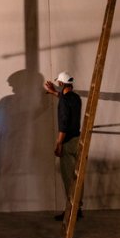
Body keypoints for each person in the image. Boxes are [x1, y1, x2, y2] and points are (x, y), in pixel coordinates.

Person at [43, 71, 83, 221]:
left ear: (60, 83)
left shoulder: (65, 101)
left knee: (68, 178)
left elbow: (64, 124)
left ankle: (72, 211)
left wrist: (59, 143)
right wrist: (54, 92)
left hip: (67, 141)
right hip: (77, 140)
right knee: (77, 176)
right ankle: (78, 208)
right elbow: (65, 99)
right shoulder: (76, 98)